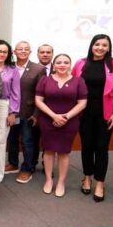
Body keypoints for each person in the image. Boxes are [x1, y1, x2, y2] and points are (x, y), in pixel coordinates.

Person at [72, 34, 113, 202]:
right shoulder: (80, 63)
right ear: (91, 46)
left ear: (109, 47)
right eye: (97, 44)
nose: (100, 47)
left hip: (106, 113)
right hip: (84, 112)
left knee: (102, 147)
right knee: (87, 145)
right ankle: (87, 177)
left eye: (104, 45)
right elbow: (73, 85)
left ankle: (100, 183)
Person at [35, 54, 87, 197]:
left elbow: (82, 103)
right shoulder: (44, 80)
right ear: (54, 64)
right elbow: (39, 100)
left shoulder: (79, 81)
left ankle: (61, 182)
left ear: (70, 64)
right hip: (47, 120)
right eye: (59, 62)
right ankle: (48, 180)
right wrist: (54, 116)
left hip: (69, 122)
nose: (62, 65)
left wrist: (65, 116)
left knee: (64, 152)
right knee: (49, 150)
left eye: (65, 62)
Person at [6, 41, 45, 184]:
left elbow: (40, 93)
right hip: (11, 111)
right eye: (19, 49)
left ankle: (27, 169)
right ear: (14, 52)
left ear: (30, 52)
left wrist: (36, 114)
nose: (23, 51)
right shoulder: (9, 67)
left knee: (27, 140)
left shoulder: (38, 69)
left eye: (26, 49)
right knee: (12, 138)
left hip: (28, 111)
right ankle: (13, 163)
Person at [0, 40, 21, 185]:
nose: (1, 54)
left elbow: (16, 93)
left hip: (3, 105)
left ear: (8, 54)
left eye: (5, 52)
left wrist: (13, 112)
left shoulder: (12, 70)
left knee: (0, 141)